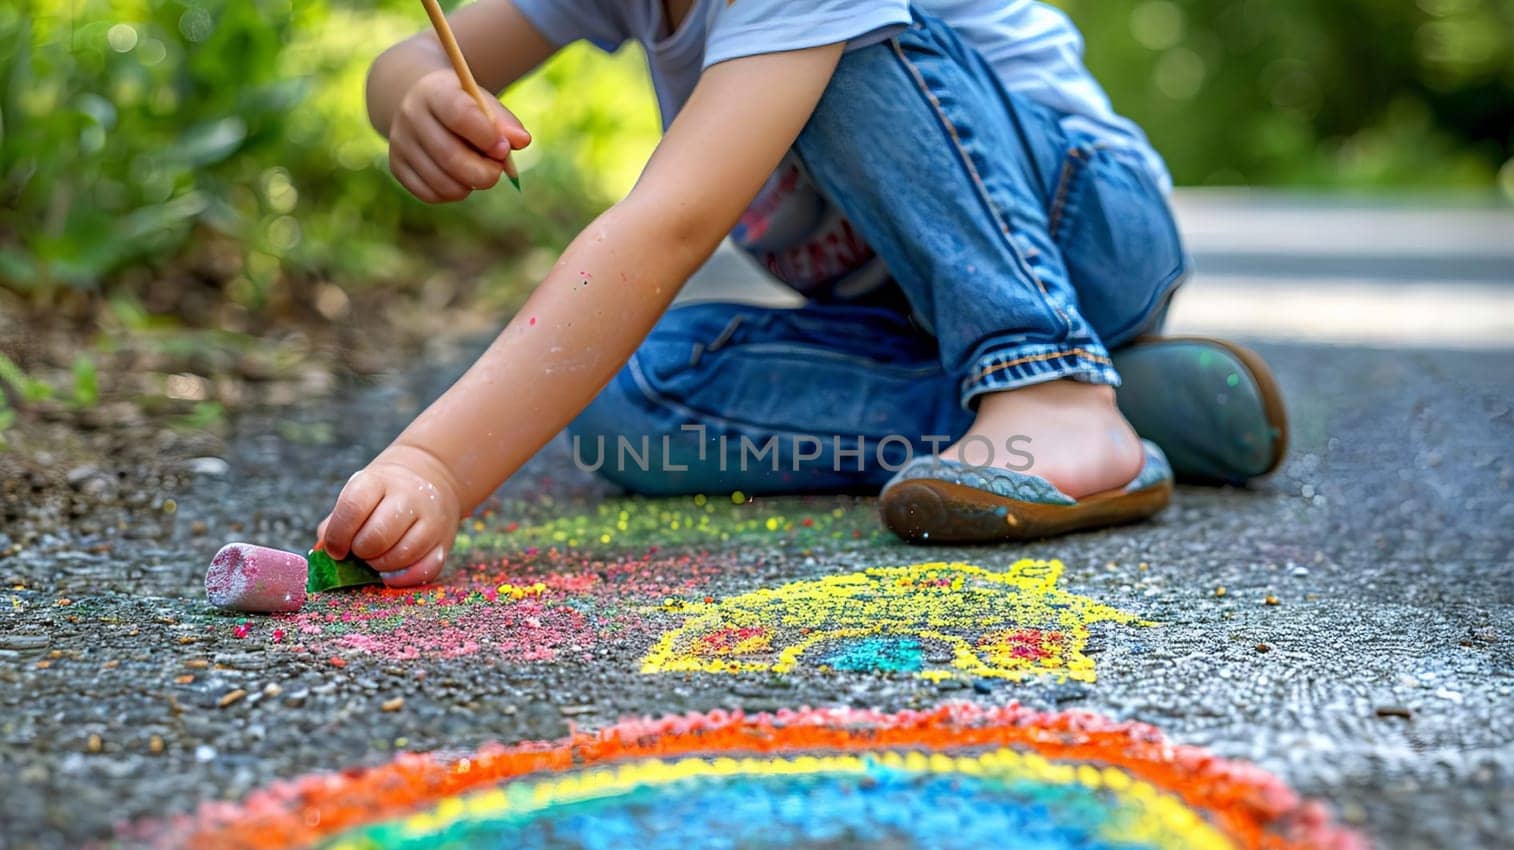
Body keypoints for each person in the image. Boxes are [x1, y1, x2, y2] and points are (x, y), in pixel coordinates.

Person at [318, 0, 1287, 584]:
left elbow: (668, 227)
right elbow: (419, 54)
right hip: (907, 317)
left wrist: (437, 466)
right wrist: (411, 93)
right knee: (627, 397)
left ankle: (1050, 384)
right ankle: (1101, 406)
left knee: (846, 56)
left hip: (1085, 239)